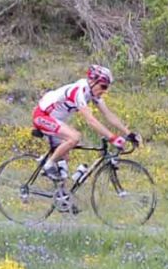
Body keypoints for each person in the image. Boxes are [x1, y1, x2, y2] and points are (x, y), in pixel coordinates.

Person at [32, 64, 136, 204]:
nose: (104, 91)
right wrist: (112, 138)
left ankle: (63, 199)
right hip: (42, 116)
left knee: (63, 164)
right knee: (75, 137)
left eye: (107, 87)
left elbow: (108, 115)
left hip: (55, 120)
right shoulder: (79, 91)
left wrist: (129, 133)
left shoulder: (92, 93)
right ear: (92, 82)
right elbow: (90, 120)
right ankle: (48, 165)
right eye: (103, 86)